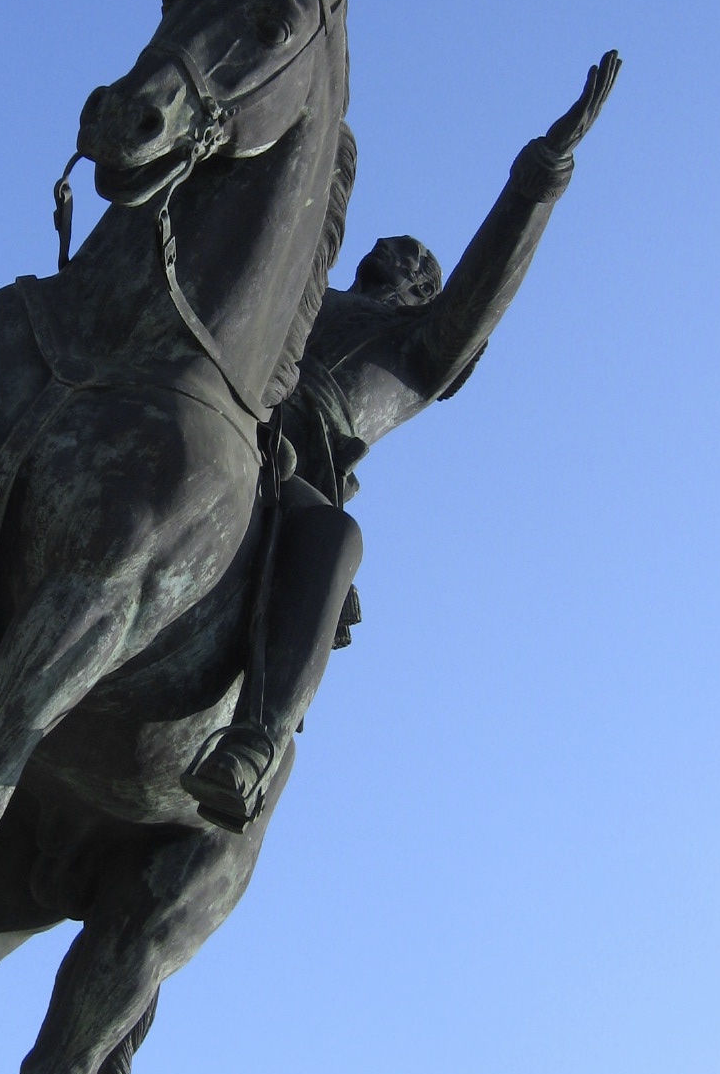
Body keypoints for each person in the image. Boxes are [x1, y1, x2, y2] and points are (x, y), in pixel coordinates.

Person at [180, 49, 621, 829]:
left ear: (424, 292)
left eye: (419, 257)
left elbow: (486, 283)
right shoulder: (307, 292)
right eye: (399, 244)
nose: (400, 246)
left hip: (297, 460)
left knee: (333, 537)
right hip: (226, 397)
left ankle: (254, 740)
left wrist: (543, 171)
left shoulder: (420, 350)